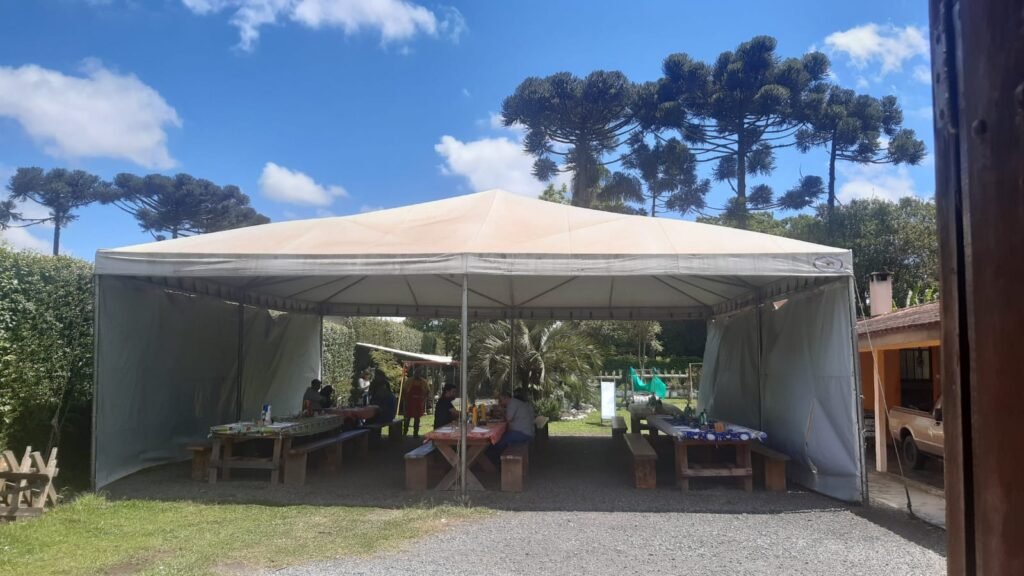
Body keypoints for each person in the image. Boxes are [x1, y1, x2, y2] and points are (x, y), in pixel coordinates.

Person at [403, 368, 430, 437]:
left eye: (419, 373)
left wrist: (424, 399)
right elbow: (404, 391)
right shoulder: (409, 381)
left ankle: (415, 433)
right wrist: (405, 400)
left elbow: (427, 391)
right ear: (414, 373)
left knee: (417, 419)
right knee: (407, 418)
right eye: (416, 373)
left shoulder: (424, 382)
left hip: (419, 403)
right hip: (410, 402)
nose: (417, 374)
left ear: (421, 374)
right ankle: (405, 432)